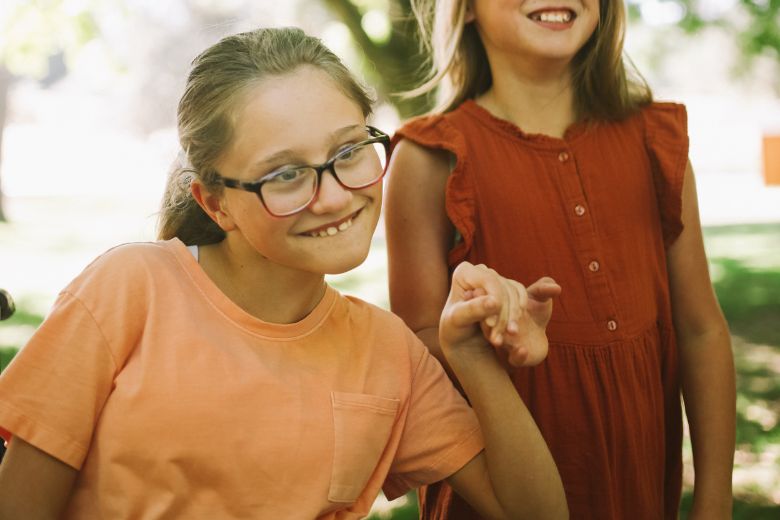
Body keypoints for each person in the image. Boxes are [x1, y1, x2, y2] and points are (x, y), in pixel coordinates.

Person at [0, 27, 568, 519]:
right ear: (215, 202)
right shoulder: (130, 288)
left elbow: (533, 512)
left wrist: (472, 358)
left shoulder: (389, 352)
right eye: (288, 174)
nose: (335, 198)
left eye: (349, 153)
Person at [384, 1, 735, 519]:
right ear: (467, 10)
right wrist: (486, 331)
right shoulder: (429, 158)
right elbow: (417, 347)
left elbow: (702, 332)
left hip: (638, 489)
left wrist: (714, 503)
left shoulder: (656, 143)